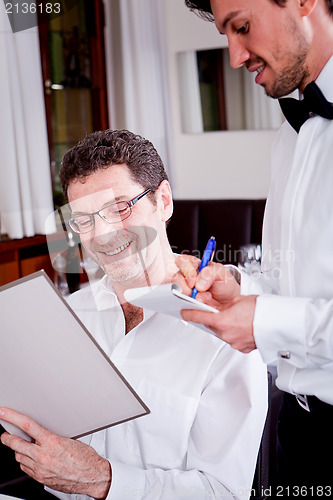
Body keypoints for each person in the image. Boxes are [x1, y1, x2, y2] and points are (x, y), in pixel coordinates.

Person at [0, 129, 267, 500]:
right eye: (85, 219)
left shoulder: (226, 332)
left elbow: (224, 491)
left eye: (120, 208)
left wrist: (103, 480)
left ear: (164, 201)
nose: (104, 234)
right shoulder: (67, 317)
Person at [178, 0, 333, 493]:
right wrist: (239, 286)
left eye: (241, 27)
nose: (234, 57)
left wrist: (263, 321)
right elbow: (297, 279)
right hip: (301, 432)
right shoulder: (291, 135)